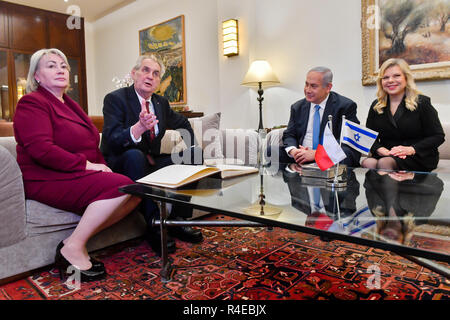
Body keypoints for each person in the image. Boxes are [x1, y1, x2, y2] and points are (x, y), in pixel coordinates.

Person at [13, 48, 141, 282]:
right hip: (45, 177)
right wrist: (88, 167)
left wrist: (103, 167)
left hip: (73, 173)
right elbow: (41, 150)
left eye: (63, 65)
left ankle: (70, 242)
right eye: (51, 65)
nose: (60, 69)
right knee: (123, 186)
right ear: (37, 76)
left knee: (135, 193)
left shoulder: (71, 105)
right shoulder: (31, 103)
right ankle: (72, 248)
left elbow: (92, 145)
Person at [101, 54, 204, 255]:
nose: (150, 76)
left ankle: (179, 221)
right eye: (145, 70)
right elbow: (113, 140)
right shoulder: (115, 99)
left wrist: (192, 147)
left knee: (194, 155)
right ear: (134, 73)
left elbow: (183, 124)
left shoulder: (160, 103)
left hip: (150, 161)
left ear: (158, 81)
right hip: (122, 161)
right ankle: (155, 224)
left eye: (156, 73)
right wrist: (138, 128)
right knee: (134, 156)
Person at [362, 58, 445, 172]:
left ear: (406, 78)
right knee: (368, 162)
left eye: (396, 76)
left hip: (417, 155)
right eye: (385, 77)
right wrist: (380, 149)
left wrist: (411, 149)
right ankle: (385, 189)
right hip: (387, 153)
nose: (390, 80)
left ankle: (390, 190)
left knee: (384, 163)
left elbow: (438, 136)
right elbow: (369, 137)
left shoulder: (422, 103)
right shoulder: (376, 106)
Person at [272, 66, 361, 167]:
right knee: (271, 152)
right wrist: (294, 151)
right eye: (306, 84)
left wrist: (316, 153)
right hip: (301, 154)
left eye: (313, 86)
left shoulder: (345, 106)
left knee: (345, 153)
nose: (307, 90)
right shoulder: (297, 107)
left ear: (328, 87)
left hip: (327, 154)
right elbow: (290, 135)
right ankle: (291, 178)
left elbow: (346, 140)